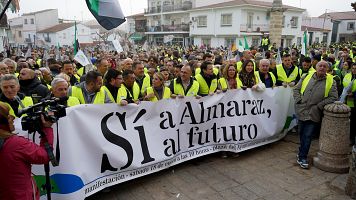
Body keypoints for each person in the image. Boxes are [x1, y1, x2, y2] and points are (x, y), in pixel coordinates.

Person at [0, 102, 54, 200]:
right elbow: (45, 156)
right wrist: (47, 129)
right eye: (8, 116)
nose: (12, 118)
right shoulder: (16, 144)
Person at [293, 60, 338, 169]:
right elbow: (296, 89)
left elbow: (333, 97)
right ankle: (301, 152)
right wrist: (299, 100)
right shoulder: (306, 76)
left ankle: (303, 157)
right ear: (316, 67)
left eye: (324, 66)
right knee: (301, 133)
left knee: (308, 136)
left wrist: (319, 106)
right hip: (301, 109)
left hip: (314, 112)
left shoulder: (331, 81)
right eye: (320, 66)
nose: (322, 68)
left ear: (327, 69)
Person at [342, 63, 356, 145]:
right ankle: (349, 137)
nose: (354, 70)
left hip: (354, 102)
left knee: (354, 122)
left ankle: (353, 139)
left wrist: (353, 94)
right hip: (346, 101)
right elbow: (344, 85)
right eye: (353, 68)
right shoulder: (347, 75)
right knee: (349, 122)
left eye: (355, 68)